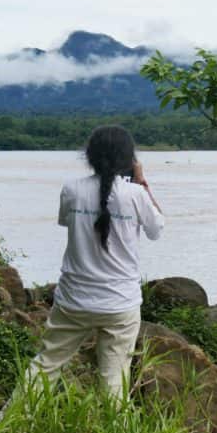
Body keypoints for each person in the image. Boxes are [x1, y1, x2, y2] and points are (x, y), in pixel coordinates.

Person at [23, 125, 164, 400]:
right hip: (120, 303)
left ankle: (7, 425)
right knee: (114, 380)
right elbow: (156, 230)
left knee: (45, 366)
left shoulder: (72, 189)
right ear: (129, 160)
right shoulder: (135, 195)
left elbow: (67, 221)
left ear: (90, 156)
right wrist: (143, 184)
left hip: (74, 300)